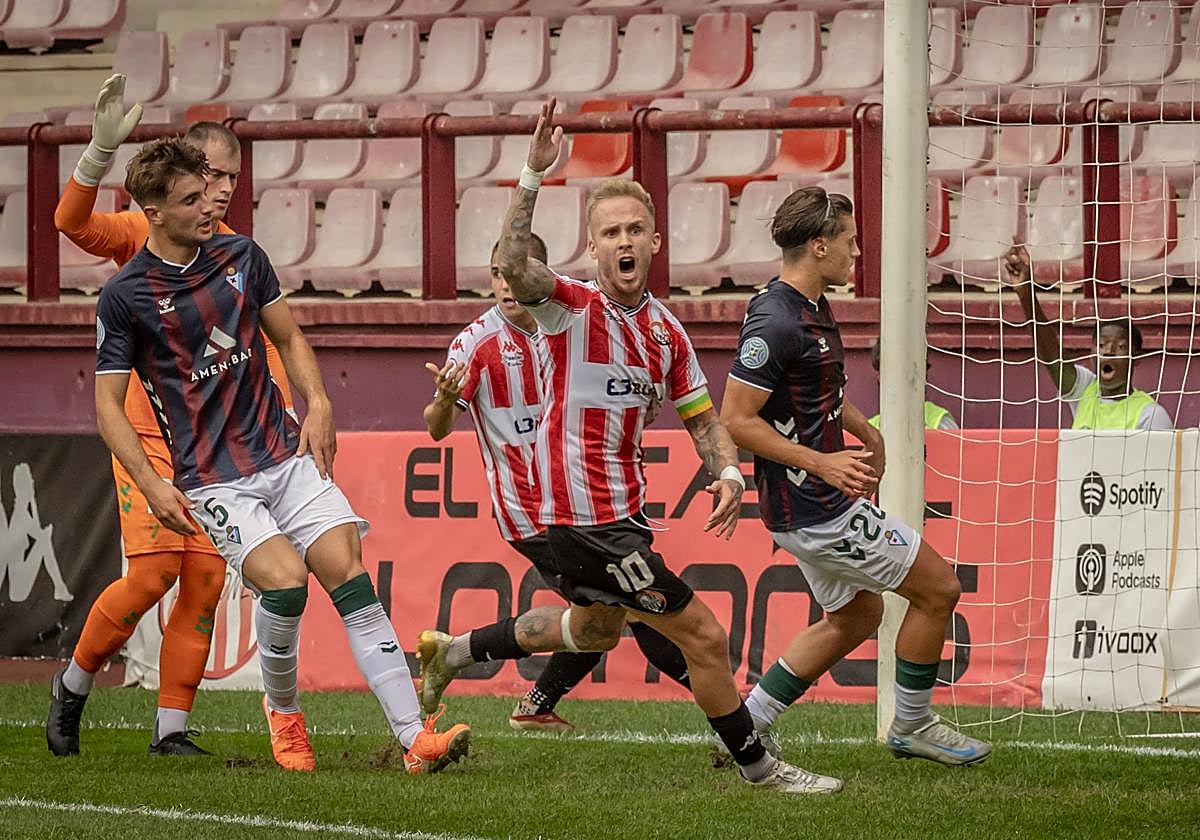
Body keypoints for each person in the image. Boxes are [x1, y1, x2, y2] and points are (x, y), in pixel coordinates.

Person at [416, 100, 842, 794]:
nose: (623, 240)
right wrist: (531, 174)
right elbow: (516, 265)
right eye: (610, 231)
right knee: (701, 634)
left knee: (593, 630)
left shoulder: (666, 335)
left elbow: (703, 420)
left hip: (614, 517)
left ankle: (455, 653)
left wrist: (729, 471)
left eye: (634, 229)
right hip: (581, 519)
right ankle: (761, 768)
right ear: (593, 249)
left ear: (655, 241)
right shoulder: (569, 307)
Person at [90, 136, 469, 775]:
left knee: (348, 570)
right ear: (152, 211)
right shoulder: (125, 297)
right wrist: (155, 484)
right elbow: (106, 406)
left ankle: (414, 739)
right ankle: (284, 713)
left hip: (283, 452)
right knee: (287, 582)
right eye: (189, 200)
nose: (207, 206)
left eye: (207, 190)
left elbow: (288, 336)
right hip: (215, 480)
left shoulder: (242, 256)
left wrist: (317, 402)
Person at [46, 74, 297, 758]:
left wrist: (286, 410)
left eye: (231, 177)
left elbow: (252, 345)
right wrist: (98, 155)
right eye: (210, 174)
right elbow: (72, 225)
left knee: (208, 578)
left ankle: (171, 732)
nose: (221, 189)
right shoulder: (150, 227)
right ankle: (72, 686)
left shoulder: (229, 249)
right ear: (180, 180)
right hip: (148, 442)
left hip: (216, 448)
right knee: (154, 574)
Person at [721, 186, 991, 766]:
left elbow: (814, 391)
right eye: (848, 241)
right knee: (939, 589)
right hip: (816, 505)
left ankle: (749, 724)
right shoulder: (776, 322)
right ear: (818, 247)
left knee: (858, 614)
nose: (857, 252)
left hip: (810, 503)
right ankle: (912, 724)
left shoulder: (808, 304)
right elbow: (736, 419)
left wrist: (865, 431)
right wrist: (823, 461)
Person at [423, 235, 692, 732]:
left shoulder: (572, 325)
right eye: (498, 274)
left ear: (538, 276)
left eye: (516, 273)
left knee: (601, 620)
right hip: (532, 513)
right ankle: (745, 714)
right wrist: (443, 400)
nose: (506, 285)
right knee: (640, 609)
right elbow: (437, 428)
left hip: (585, 499)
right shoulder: (477, 344)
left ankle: (472, 663)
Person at [1004, 243, 1173, 430]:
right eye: (1101, 345)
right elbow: (1052, 356)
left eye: (1120, 347)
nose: (1108, 352)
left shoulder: (1150, 415)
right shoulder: (1085, 390)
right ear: (1091, 352)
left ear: (1136, 358)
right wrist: (1026, 293)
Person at [866, 338, 958, 431]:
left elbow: (956, 444)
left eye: (911, 370)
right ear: (880, 377)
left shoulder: (938, 420)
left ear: (923, 375)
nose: (905, 377)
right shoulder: (870, 430)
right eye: (896, 371)